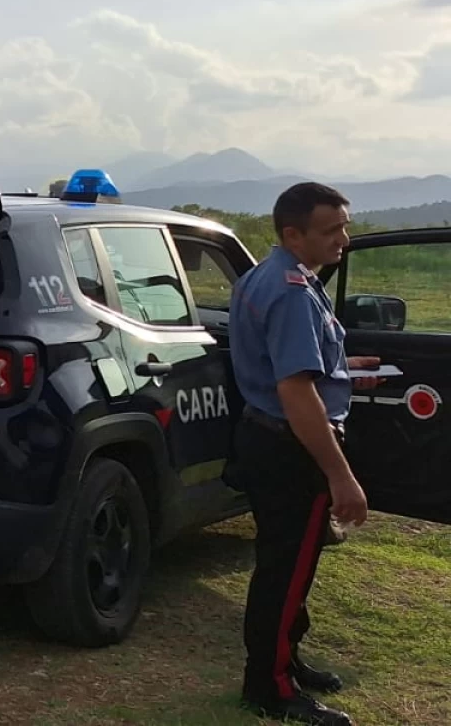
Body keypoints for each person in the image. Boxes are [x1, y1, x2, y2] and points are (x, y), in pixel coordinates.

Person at [227, 182, 382, 726]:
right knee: (284, 571)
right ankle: (270, 688)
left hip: (268, 437)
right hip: (290, 447)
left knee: (287, 564)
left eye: (344, 224)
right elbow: (295, 392)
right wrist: (341, 477)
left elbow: (292, 368)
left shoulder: (271, 275)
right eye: (331, 229)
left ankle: (285, 660)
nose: (344, 238)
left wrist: (342, 369)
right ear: (293, 234)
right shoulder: (292, 290)